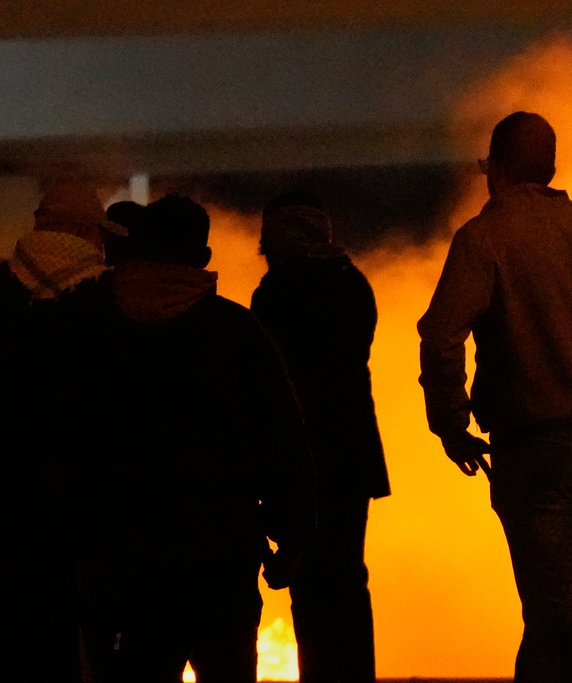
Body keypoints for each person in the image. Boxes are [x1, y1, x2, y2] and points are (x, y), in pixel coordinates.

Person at [418, 111, 572, 683]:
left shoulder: (485, 237)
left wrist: (451, 422)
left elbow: (440, 333)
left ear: (496, 170)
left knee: (555, 620)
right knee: (556, 608)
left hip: (533, 450)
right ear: (551, 167)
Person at [88, 194, 315, 683]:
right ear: (204, 258)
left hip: (126, 560)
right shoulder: (236, 331)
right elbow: (282, 439)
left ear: (140, 246)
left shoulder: (96, 328)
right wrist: (291, 539)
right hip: (222, 556)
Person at [251, 192, 390, 683]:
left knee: (308, 584)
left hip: (301, 455)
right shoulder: (354, 285)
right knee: (349, 579)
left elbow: (271, 380)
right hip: (352, 456)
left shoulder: (276, 291)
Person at [0, 181, 125, 683]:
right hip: (89, 493)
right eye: (97, 232)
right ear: (80, 230)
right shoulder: (106, 296)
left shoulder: (4, 287)